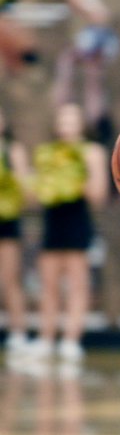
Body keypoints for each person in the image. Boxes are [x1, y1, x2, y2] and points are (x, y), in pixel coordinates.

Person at [29, 102, 108, 362]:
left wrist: (75, 177)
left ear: (81, 124)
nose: (67, 126)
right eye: (63, 120)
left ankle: (71, 340)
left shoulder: (92, 152)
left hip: (78, 220)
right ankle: (46, 338)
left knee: (77, 284)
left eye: (72, 120)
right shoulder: (47, 153)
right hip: (53, 221)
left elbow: (99, 194)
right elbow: (34, 194)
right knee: (48, 284)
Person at [0, 106, 30, 354]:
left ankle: (18, 333)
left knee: (10, 280)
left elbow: (25, 189)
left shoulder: (13, 150)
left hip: (7, 221)